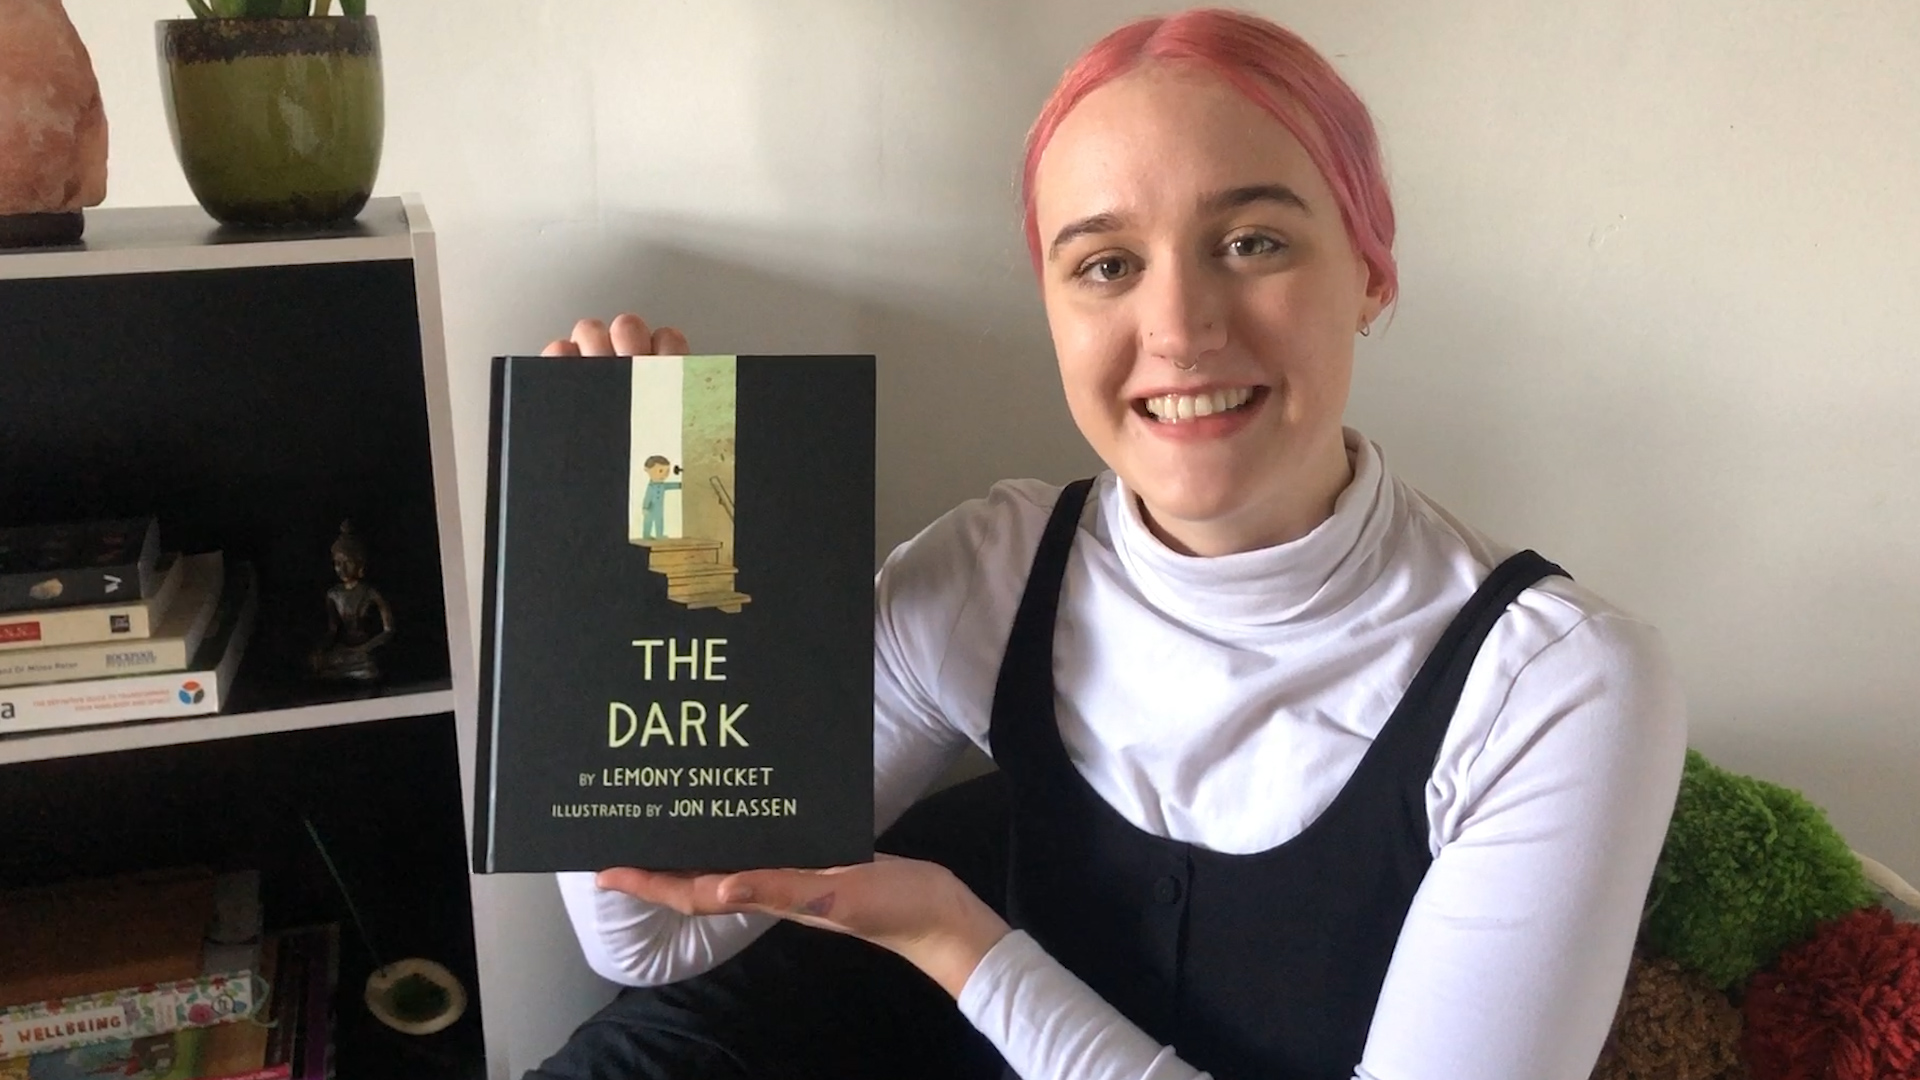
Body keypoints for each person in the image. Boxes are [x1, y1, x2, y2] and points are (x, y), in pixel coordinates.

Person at [525, 8, 1688, 1080]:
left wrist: (958, 942)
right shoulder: (993, 573)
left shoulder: (1557, 685)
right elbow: (649, 936)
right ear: (1052, 307)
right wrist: (615, 560)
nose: (1178, 328)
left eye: (1253, 242)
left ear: (1371, 274)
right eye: (1108, 265)